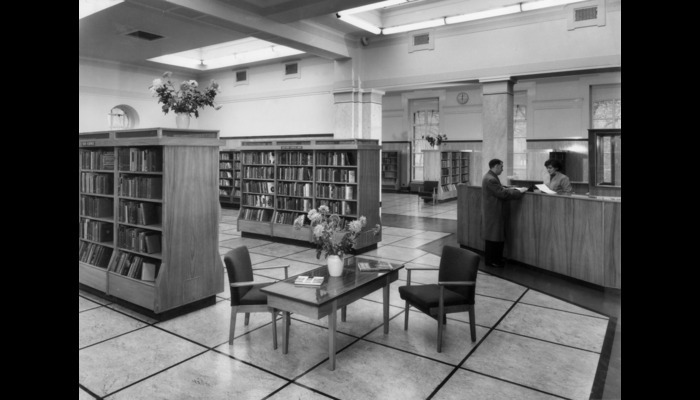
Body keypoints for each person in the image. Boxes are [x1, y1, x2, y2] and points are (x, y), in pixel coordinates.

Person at [481, 159, 527, 268]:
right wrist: (519, 192)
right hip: (494, 212)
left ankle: (494, 259)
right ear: (496, 166)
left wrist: (510, 188)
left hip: (493, 211)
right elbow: (502, 194)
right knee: (494, 237)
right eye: (501, 167)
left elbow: (500, 188)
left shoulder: (489, 176)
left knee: (495, 236)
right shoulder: (491, 179)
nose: (502, 169)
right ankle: (493, 261)